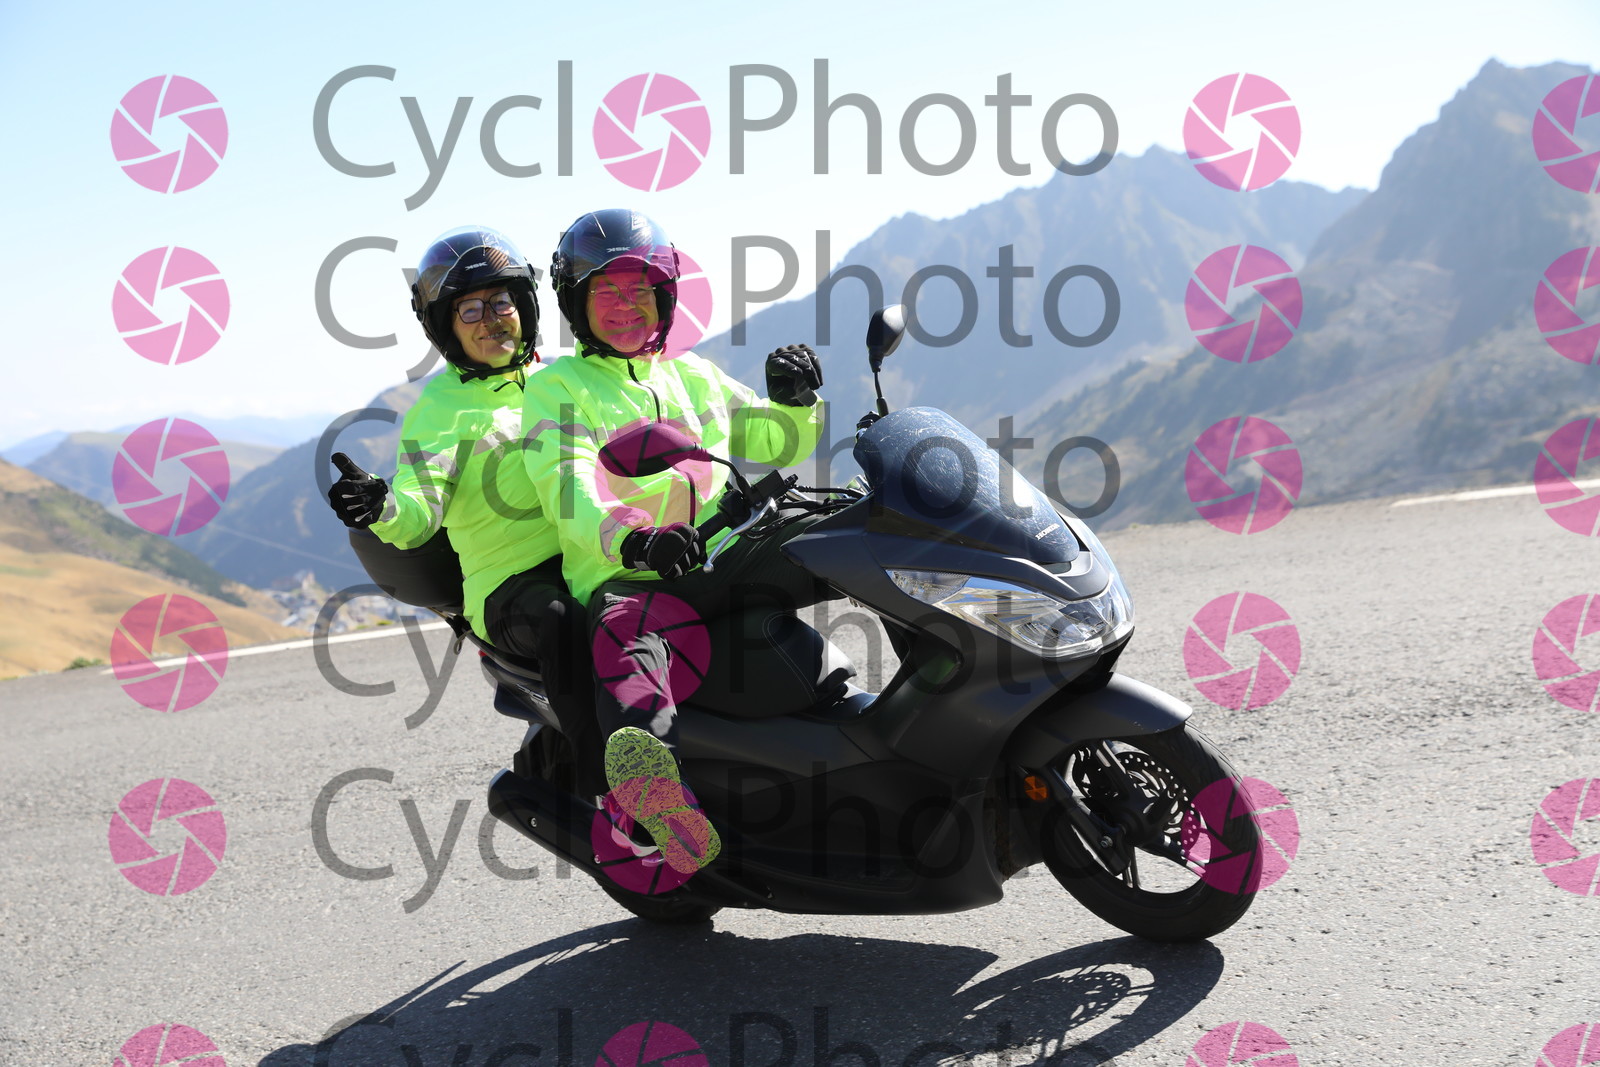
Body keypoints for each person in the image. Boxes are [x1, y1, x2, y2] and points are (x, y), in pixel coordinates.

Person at [520, 208, 835, 874]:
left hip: (727, 550)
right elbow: (568, 487)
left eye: (641, 288)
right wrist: (637, 541)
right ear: (576, 304)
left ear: (664, 297)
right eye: (606, 290)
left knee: (846, 542)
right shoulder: (557, 389)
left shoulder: (691, 374)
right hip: (636, 576)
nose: (626, 304)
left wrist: (795, 402)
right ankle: (650, 790)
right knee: (626, 639)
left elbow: (772, 440)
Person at [327, 226, 594, 761]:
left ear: (524, 307)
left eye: (501, 302)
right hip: (513, 586)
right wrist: (380, 507)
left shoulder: (568, 379)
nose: (490, 320)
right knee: (562, 620)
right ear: (446, 328)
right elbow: (417, 510)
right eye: (469, 310)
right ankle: (624, 784)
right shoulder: (441, 413)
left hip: (594, 555)